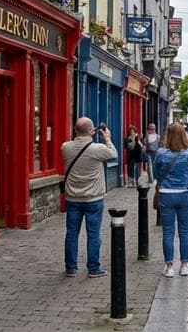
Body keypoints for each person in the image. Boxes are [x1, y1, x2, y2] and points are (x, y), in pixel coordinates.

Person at [61, 117, 117, 278]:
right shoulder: (98, 149)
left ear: (75, 130)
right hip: (93, 199)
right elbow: (113, 154)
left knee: (71, 233)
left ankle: (71, 268)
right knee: (93, 234)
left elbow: (72, 145)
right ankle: (93, 268)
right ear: (91, 131)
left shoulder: (66, 147)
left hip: (73, 198)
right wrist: (107, 138)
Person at [153, 122, 188, 278]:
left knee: (168, 232)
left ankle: (169, 267)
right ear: (184, 135)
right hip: (185, 194)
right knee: (184, 231)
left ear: (168, 135)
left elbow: (156, 174)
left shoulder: (160, 153)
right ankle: (185, 266)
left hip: (166, 194)